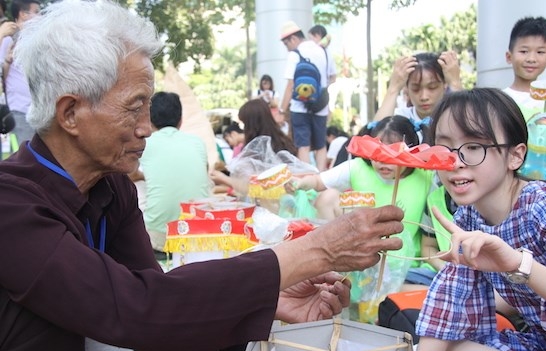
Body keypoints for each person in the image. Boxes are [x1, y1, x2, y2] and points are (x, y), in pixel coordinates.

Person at [0, 3, 408, 349]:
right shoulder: (11, 207)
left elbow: (159, 302)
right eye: (134, 107)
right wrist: (311, 253)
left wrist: (269, 300)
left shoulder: (112, 188)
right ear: (70, 113)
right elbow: (137, 308)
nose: (146, 127)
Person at [415, 88, 546, 350]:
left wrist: (518, 263)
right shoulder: (467, 219)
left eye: (473, 146)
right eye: (444, 148)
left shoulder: (538, 207)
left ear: (515, 156)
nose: (454, 162)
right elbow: (451, 300)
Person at [288, 116, 435, 283]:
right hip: (363, 265)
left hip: (407, 269)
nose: (383, 162)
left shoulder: (426, 178)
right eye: (377, 153)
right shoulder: (357, 168)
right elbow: (318, 181)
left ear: (411, 151)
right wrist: (299, 183)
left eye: (393, 154)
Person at [138, 91, 210, 257]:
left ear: (149, 119)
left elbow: (129, 175)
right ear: (180, 120)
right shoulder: (197, 142)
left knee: (136, 185)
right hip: (197, 233)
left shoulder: (144, 144)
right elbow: (204, 173)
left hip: (160, 237)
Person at [373, 51, 462, 143]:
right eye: (415, 89)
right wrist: (393, 88)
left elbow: (466, 125)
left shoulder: (451, 115)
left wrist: (455, 83)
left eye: (432, 87)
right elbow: (373, 140)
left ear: (444, 85)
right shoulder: (401, 117)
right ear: (407, 88)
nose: (424, 97)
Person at [280, 21, 330, 171]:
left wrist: (282, 111)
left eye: (286, 44)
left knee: (303, 145)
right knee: (320, 146)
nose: (287, 48)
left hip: (299, 107)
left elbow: (290, 86)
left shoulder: (295, 55)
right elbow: (330, 78)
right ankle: (322, 180)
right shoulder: (322, 50)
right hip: (320, 106)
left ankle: (309, 183)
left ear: (293, 39)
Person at [0, 0, 40, 153]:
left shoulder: (36, 42)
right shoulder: (8, 39)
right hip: (20, 110)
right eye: (36, 12)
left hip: (37, 110)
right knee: (22, 156)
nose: (41, 16)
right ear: (23, 14)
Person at [503, 16, 546, 121]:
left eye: (540, 52)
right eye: (524, 51)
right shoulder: (501, 99)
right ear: (509, 57)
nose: (531, 59)